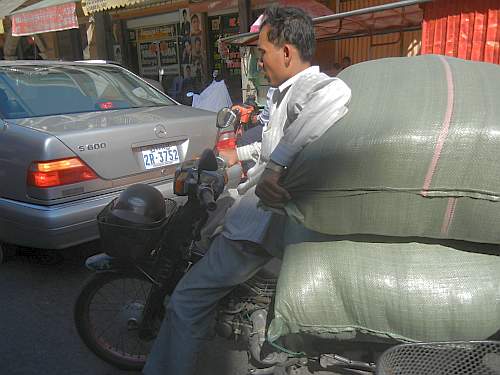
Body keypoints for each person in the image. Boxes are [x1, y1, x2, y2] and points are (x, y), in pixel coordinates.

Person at [143, 6, 351, 375]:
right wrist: (234, 154)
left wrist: (275, 167)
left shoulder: (312, 86)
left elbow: (336, 95)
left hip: (254, 230)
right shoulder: (283, 94)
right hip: (255, 221)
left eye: (262, 55)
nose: (260, 64)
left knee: (186, 301)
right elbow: (273, 145)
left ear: (286, 52)